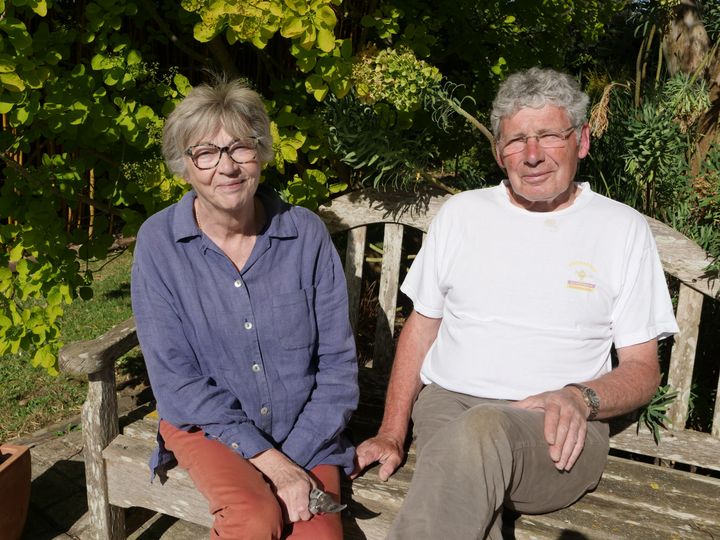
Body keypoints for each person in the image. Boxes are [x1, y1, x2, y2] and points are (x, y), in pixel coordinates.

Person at [352, 67, 680, 539]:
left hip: (557, 428)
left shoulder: (620, 229)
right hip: (450, 406)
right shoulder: (462, 215)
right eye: (515, 140)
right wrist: (391, 431)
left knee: (480, 437)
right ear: (498, 151)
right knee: (468, 462)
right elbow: (422, 328)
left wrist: (580, 397)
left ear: (582, 141)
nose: (531, 155)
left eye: (549, 135)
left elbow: (644, 369)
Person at [131, 78, 358, 540]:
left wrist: (290, 461)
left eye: (240, 148)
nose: (227, 167)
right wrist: (273, 465)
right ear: (185, 168)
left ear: (262, 153)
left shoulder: (305, 235)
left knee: (318, 535)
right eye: (206, 153)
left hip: (306, 425)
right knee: (253, 518)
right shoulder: (159, 243)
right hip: (208, 426)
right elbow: (176, 381)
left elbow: (337, 368)